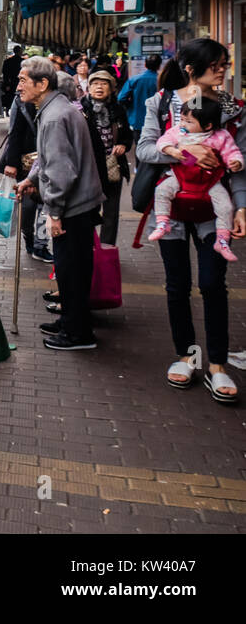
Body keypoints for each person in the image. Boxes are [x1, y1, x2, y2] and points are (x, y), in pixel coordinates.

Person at [135, 37, 245, 402]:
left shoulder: (232, 108)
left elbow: (240, 164)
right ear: (191, 68)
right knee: (176, 284)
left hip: (216, 210)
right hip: (173, 208)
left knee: (213, 284)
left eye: (224, 63)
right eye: (216, 63)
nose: (223, 69)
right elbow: (146, 149)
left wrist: (241, 206)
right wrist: (186, 151)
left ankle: (216, 365)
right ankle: (186, 354)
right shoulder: (161, 103)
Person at [15, 56, 104, 350]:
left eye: (23, 81)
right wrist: (32, 180)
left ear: (42, 84)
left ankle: (78, 335)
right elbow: (48, 159)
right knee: (69, 271)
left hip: (73, 208)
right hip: (79, 205)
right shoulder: (55, 109)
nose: (18, 87)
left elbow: (61, 171)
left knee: (72, 272)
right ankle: (69, 322)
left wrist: (53, 212)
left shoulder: (53, 116)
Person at [147, 97, 243, 260]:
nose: (183, 124)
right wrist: (173, 151)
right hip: (181, 176)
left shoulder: (221, 136)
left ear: (208, 125)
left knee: (226, 207)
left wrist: (236, 162)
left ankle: (222, 239)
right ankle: (163, 222)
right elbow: (162, 141)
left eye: (188, 121)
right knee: (162, 191)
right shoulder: (177, 131)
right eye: (182, 119)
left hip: (210, 180)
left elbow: (232, 151)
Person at [81, 70, 132, 247]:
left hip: (112, 166)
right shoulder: (81, 108)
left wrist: (124, 145)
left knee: (111, 211)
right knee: (89, 209)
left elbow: (126, 134)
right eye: (95, 83)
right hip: (89, 167)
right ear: (88, 87)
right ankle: (89, 247)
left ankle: (107, 248)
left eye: (104, 84)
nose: (99, 87)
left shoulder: (118, 110)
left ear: (111, 89)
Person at [0, 89, 49, 262]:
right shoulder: (21, 101)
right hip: (26, 164)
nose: (20, 85)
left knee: (44, 207)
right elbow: (14, 133)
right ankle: (29, 236)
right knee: (27, 209)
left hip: (48, 164)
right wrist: (11, 163)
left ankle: (41, 246)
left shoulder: (53, 104)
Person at [117, 54, 161, 130]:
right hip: (157, 121)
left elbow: (121, 98)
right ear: (159, 66)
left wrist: (131, 107)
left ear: (145, 65)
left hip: (137, 120)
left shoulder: (134, 79)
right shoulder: (162, 81)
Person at [0, 46, 24, 115]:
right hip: (19, 81)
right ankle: (18, 110)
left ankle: (7, 111)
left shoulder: (7, 61)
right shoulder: (22, 61)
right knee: (19, 96)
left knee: (10, 96)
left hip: (10, 82)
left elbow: (5, 74)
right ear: (20, 52)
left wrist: (7, 84)